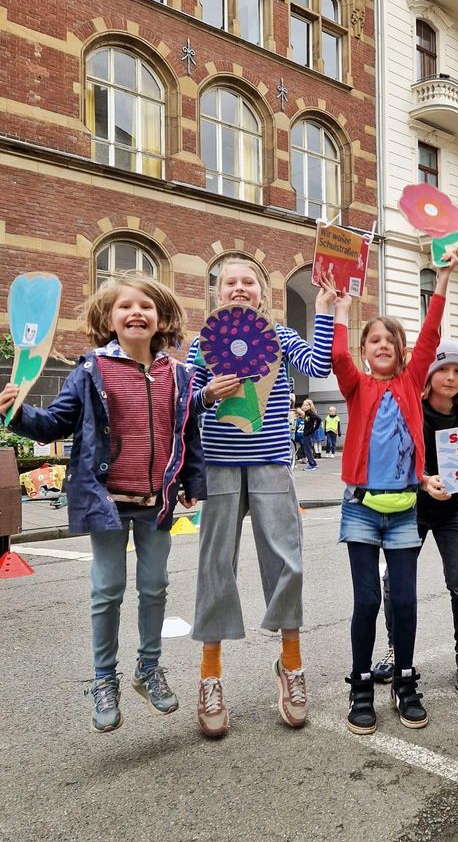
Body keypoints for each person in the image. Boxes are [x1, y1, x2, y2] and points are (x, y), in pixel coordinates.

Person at [0, 274, 206, 732]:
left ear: (161, 318)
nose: (136, 312)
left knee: (154, 587)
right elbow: (55, 423)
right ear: (108, 319)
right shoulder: (91, 369)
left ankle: (148, 669)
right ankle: (103, 678)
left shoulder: (178, 374)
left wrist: (195, 482)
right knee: (107, 590)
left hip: (157, 502)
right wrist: (14, 413)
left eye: (146, 307)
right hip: (104, 502)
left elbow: (187, 433)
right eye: (125, 306)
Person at [187, 257, 336, 737]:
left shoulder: (280, 337)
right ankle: (211, 673)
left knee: (286, 561)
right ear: (217, 292)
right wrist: (208, 394)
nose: (238, 288)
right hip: (219, 466)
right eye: (229, 282)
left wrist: (328, 310)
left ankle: (290, 663)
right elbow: (184, 401)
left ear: (262, 292)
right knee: (216, 567)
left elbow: (318, 365)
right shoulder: (203, 343)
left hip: (271, 462)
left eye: (248, 282)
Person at [332, 251, 458, 735]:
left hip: (405, 509)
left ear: (404, 352)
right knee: (367, 601)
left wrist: (442, 277)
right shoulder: (356, 386)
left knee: (402, 600)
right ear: (367, 351)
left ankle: (405, 681)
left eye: (391, 340)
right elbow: (338, 357)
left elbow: (431, 334)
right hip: (362, 509)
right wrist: (341, 311)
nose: (382, 345)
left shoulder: (410, 380)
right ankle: (360, 684)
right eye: (375, 340)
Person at [372, 340, 458, 692]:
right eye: (443, 369)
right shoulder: (412, 409)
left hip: (451, 511)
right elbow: (394, 459)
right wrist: (423, 482)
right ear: (430, 373)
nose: (450, 378)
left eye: (457, 372)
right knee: (395, 582)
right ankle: (395, 649)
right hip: (412, 509)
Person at [301, 398, 322, 470]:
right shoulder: (306, 413)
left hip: (309, 434)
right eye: (304, 405)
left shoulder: (310, 413)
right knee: (308, 448)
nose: (305, 406)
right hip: (307, 433)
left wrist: (315, 428)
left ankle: (311, 465)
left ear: (310, 406)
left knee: (308, 449)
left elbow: (318, 419)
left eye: (307, 405)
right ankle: (314, 463)